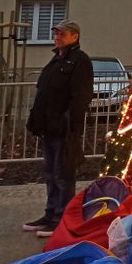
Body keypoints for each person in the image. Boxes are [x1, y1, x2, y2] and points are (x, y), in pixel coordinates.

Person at [23, 20, 94, 237]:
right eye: (56, 34)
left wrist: (70, 124)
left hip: (63, 129)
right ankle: (50, 213)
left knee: (62, 173)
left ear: (75, 36)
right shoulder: (57, 59)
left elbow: (80, 96)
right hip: (49, 127)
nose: (57, 37)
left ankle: (63, 218)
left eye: (62, 34)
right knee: (50, 173)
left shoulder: (79, 61)